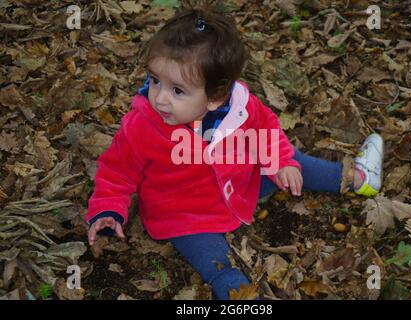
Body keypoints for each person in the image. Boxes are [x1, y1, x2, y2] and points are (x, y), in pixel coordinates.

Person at [85, 8, 384, 300]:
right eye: (155, 80)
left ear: (216, 97)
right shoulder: (143, 125)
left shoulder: (239, 107)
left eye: (177, 91)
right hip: (186, 213)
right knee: (215, 262)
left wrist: (280, 162)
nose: (160, 98)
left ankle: (357, 178)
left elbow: (266, 126)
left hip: (242, 183)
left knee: (293, 161)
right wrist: (108, 209)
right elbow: (117, 170)